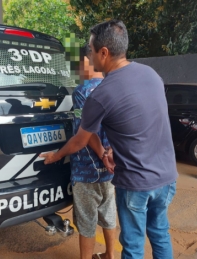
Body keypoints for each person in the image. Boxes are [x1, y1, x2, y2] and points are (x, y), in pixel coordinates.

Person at [40, 20, 178, 259]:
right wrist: (113, 149)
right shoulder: (151, 74)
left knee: (133, 245)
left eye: (91, 51)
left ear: (104, 52)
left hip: (136, 182)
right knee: (160, 233)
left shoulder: (101, 93)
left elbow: (81, 141)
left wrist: (56, 155)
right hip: (167, 178)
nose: (89, 57)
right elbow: (144, 122)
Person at [69, 45, 116, 259]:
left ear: (85, 62)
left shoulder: (82, 92)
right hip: (111, 168)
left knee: (87, 221)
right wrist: (109, 156)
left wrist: (101, 155)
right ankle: (110, 255)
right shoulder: (112, 86)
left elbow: (86, 133)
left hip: (87, 169)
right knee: (108, 214)